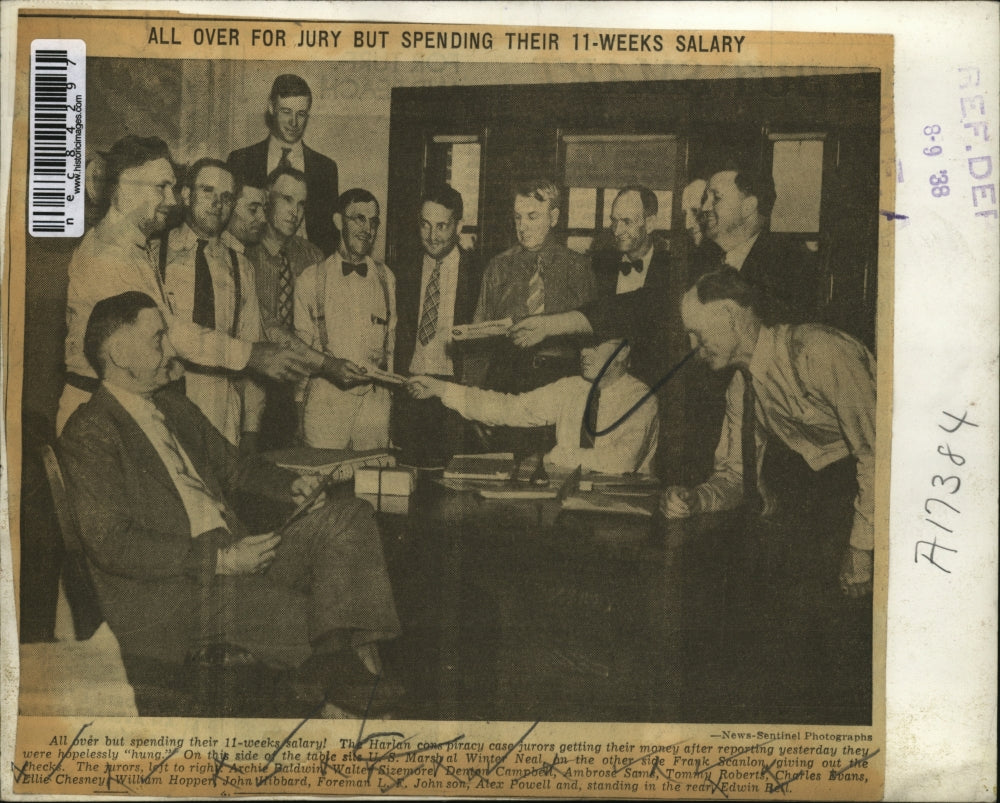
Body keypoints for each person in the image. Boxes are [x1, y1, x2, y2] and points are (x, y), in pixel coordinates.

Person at [58, 292, 402, 714]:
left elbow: (237, 469)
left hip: (237, 555)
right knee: (306, 610)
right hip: (171, 593)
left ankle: (340, 677)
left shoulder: (173, 404)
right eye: (158, 339)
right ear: (119, 352)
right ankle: (353, 688)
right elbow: (112, 543)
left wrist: (291, 485)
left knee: (350, 518)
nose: (170, 349)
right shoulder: (90, 430)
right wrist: (220, 561)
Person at [58, 135, 312, 435]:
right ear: (126, 185)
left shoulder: (134, 249)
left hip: (127, 411)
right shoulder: (108, 253)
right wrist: (250, 354)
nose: (171, 199)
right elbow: (168, 330)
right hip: (96, 416)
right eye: (162, 188)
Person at [661, 268, 875, 593]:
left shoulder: (818, 351)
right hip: (821, 513)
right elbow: (735, 477)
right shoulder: (741, 387)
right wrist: (696, 499)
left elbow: (879, 454)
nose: (693, 346)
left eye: (697, 333)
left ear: (730, 315)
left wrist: (861, 548)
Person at [408, 338, 658, 476]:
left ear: (623, 352)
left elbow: (622, 462)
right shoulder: (571, 387)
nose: (584, 353)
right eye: (582, 345)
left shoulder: (641, 398)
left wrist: (556, 455)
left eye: (595, 346)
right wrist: (441, 389)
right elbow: (510, 408)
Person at [470, 179, 595, 454]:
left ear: (554, 217)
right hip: (507, 383)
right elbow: (477, 343)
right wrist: (474, 401)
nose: (522, 226)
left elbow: (592, 337)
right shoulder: (498, 268)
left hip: (560, 384)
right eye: (517, 217)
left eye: (532, 216)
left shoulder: (578, 268)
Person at [159, 158, 264, 447]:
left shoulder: (241, 267)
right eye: (208, 191)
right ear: (185, 195)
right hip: (163, 405)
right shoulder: (155, 253)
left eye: (227, 197)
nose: (218, 203)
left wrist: (251, 432)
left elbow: (253, 353)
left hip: (221, 413)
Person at [294, 189, 396, 449]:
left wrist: (389, 403)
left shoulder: (386, 278)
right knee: (322, 478)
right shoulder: (311, 279)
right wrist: (298, 410)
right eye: (358, 219)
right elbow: (300, 353)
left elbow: (391, 347)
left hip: (374, 405)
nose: (367, 229)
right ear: (339, 221)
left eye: (373, 221)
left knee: (372, 482)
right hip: (326, 403)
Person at [392, 185, 482, 465]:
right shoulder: (400, 269)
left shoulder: (479, 272)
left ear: (459, 226)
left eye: (442, 226)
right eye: (425, 225)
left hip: (453, 394)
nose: (432, 236)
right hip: (411, 390)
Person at [245, 166, 326, 448]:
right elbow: (262, 323)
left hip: (301, 388)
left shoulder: (314, 257)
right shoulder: (245, 253)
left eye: (301, 203)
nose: (295, 211)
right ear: (267, 199)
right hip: (253, 384)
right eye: (287, 200)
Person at [227, 74, 339, 256]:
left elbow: (328, 236)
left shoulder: (325, 168)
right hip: (251, 265)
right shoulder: (241, 160)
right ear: (271, 107)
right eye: (286, 112)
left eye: (301, 114)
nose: (294, 122)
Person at [698, 164, 817, 322]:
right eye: (706, 199)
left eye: (716, 198)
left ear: (748, 207)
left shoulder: (790, 265)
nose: (705, 207)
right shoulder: (699, 260)